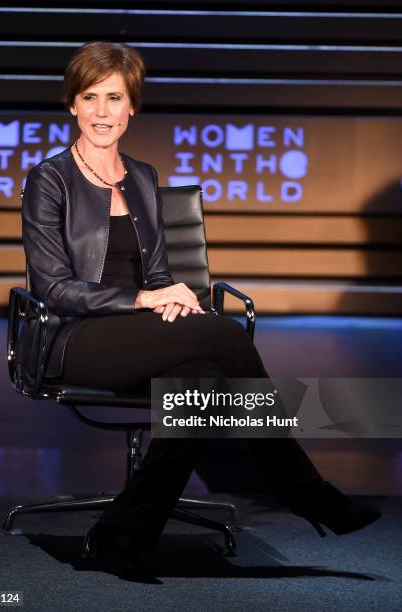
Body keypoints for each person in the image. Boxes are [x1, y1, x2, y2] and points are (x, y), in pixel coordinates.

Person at [22, 41, 381, 577]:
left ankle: (120, 536)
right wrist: (145, 298)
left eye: (114, 98)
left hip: (140, 333)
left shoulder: (142, 177)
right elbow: (55, 288)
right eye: (90, 97)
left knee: (207, 380)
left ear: (132, 107)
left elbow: (162, 273)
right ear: (72, 104)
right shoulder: (49, 179)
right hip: (74, 337)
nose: (102, 112)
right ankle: (303, 488)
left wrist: (172, 296)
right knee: (227, 337)